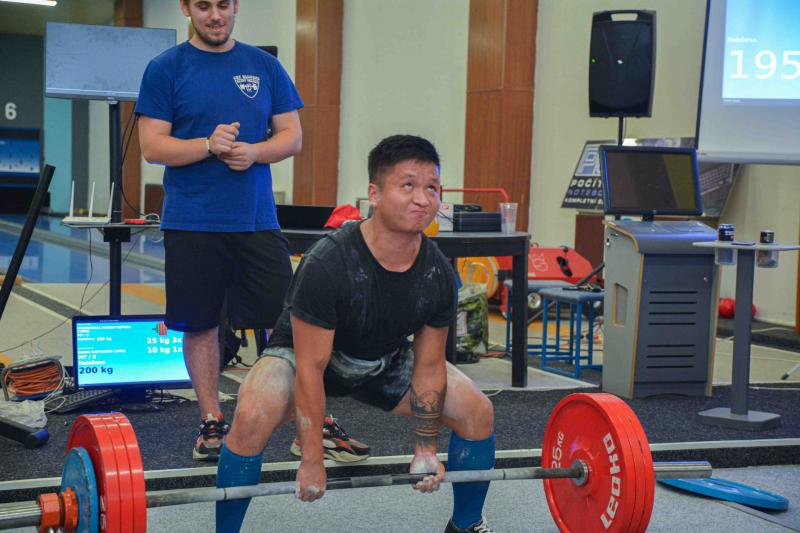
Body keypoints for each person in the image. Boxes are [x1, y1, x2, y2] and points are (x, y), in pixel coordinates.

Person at [216, 135, 496, 533]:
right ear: (374, 194)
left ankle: (465, 525)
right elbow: (311, 368)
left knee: (477, 411)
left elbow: (430, 365)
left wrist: (426, 446)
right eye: (408, 185)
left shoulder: (437, 272)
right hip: (301, 356)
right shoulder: (329, 262)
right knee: (252, 414)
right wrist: (312, 457)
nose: (422, 199)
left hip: (380, 359)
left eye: (432, 188)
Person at [135, 0, 302, 461]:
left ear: (236, 6)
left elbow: (292, 135)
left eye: (223, 4)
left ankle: (307, 417)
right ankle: (211, 419)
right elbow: (152, 146)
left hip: (255, 219)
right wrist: (208, 145)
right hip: (192, 220)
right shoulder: (165, 68)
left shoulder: (264, 66)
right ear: (186, 8)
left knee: (291, 322)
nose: (215, 15)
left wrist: (255, 152)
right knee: (200, 323)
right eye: (203, 5)